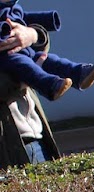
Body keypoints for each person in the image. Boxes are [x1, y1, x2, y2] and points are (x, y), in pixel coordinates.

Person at [0, 8, 94, 102]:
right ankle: (51, 86)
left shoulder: (11, 9)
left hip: (26, 110)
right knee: (26, 67)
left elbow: (27, 20)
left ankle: (79, 74)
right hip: (10, 58)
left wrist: (33, 34)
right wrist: (19, 82)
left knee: (50, 60)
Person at [0, 18, 60, 165]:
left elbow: (33, 48)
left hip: (37, 138)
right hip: (7, 149)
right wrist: (20, 79)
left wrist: (31, 35)